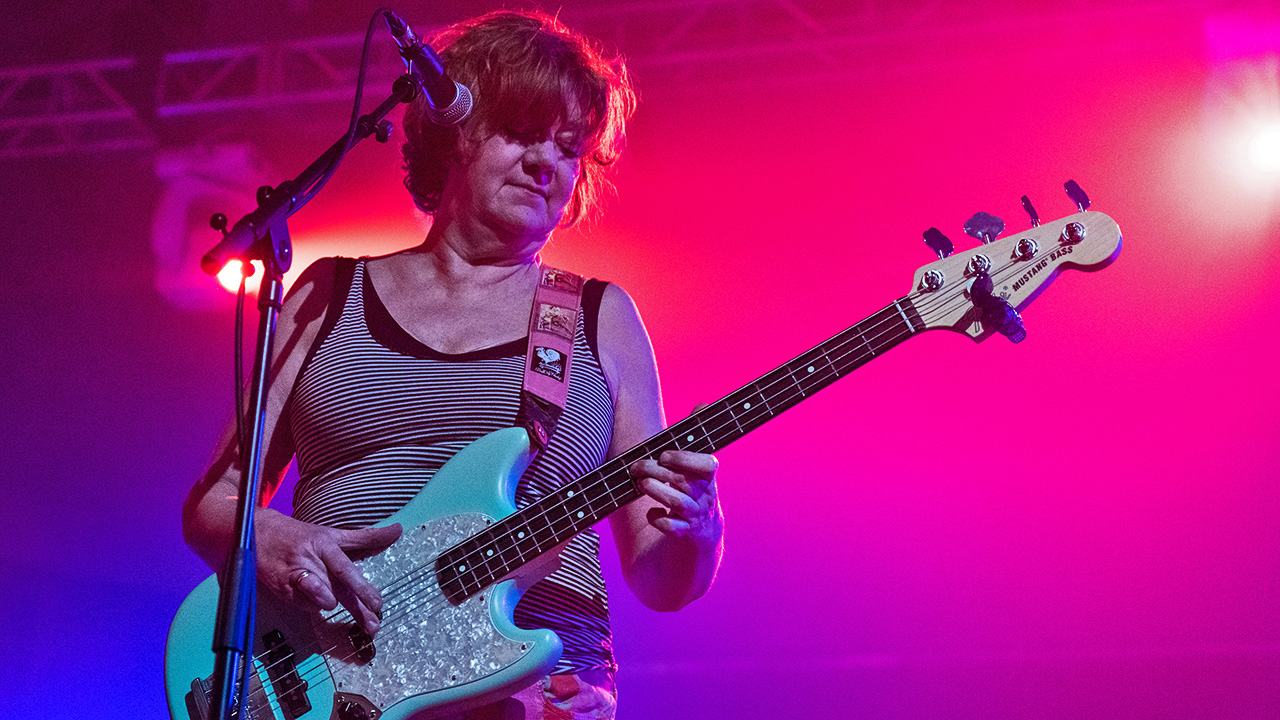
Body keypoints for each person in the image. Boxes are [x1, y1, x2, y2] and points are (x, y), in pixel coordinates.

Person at [182, 10, 724, 719]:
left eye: (568, 148)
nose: (547, 163)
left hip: (532, 692)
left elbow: (662, 581)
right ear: (454, 132)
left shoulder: (602, 315)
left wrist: (699, 533)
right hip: (322, 682)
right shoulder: (326, 292)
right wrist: (273, 537)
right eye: (525, 133)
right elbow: (213, 502)